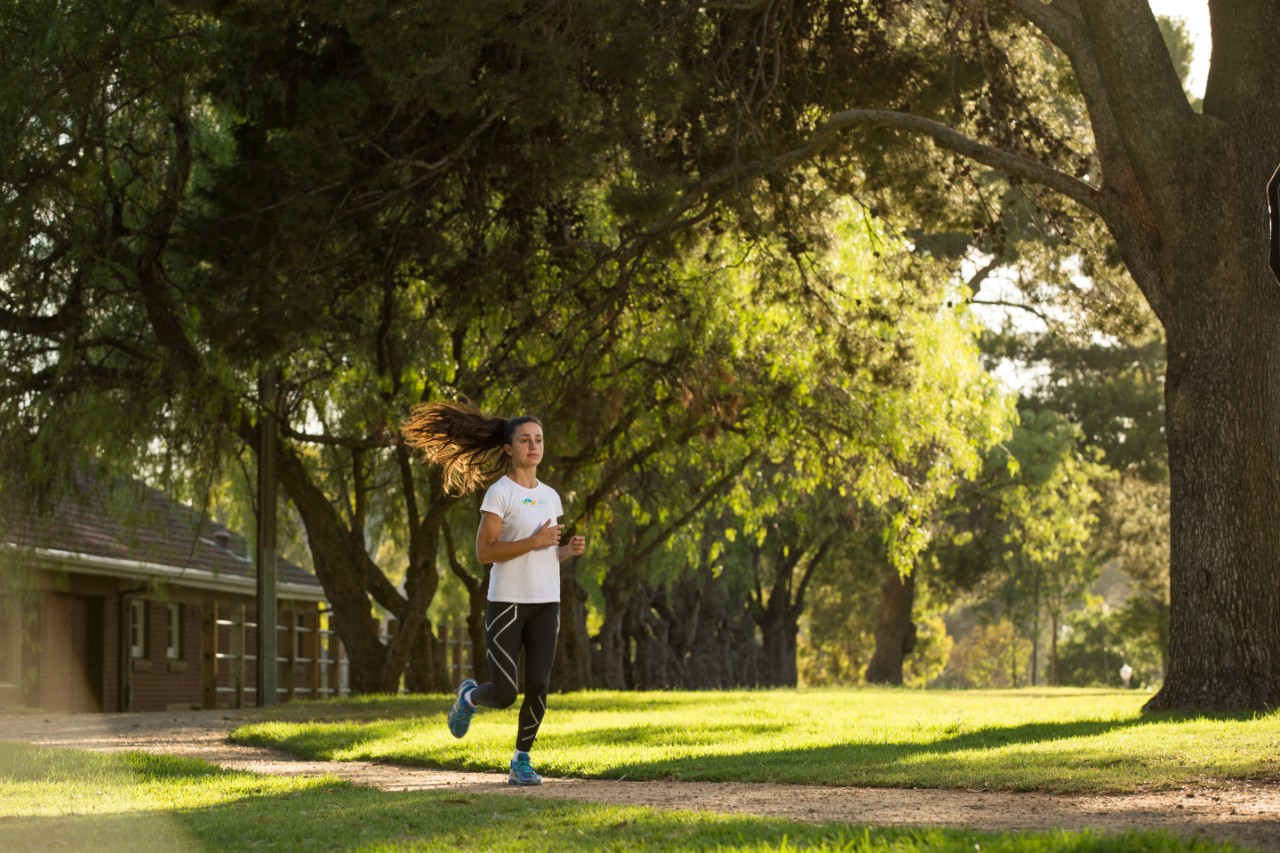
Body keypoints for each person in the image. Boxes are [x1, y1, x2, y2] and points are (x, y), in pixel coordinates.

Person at [401, 400, 585, 786]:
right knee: (504, 694)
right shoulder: (499, 494)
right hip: (508, 603)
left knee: (538, 684)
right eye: (524, 440)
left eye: (538, 440)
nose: (533, 446)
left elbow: (545, 554)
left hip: (546, 603)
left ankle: (521, 760)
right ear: (508, 447)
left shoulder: (551, 496)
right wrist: (535, 541)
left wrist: (564, 551)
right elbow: (486, 553)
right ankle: (468, 698)